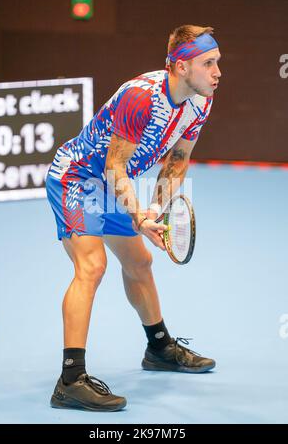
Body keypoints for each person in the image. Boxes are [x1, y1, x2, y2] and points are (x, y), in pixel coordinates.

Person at [46, 24, 221, 412]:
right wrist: (137, 216)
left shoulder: (200, 100)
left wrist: (153, 212)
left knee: (139, 262)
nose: (217, 72)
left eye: (217, 62)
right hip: (78, 177)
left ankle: (158, 348)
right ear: (180, 67)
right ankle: (70, 380)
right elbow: (114, 166)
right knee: (92, 266)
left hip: (109, 184)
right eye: (208, 63)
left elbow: (177, 161)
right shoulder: (140, 97)